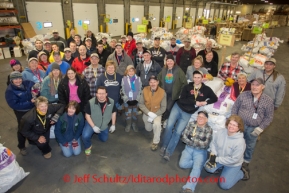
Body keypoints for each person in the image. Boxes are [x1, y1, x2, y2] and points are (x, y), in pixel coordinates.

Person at [161, 71, 217, 161]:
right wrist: (195, 102)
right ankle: (164, 146)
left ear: (202, 78)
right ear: (192, 78)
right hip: (178, 107)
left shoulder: (206, 89)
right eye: (195, 77)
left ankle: (168, 152)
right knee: (169, 126)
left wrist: (206, 102)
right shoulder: (187, 87)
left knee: (178, 132)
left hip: (188, 112)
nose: (197, 79)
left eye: (199, 77)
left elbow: (215, 98)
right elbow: (182, 100)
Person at [231, 78, 274, 176]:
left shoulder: (268, 101)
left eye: (257, 85)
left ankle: (246, 161)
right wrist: (234, 121)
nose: (254, 87)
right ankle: (233, 159)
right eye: (253, 84)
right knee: (236, 142)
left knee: (249, 145)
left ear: (263, 87)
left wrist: (260, 128)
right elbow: (235, 107)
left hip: (253, 128)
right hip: (239, 126)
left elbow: (269, 117)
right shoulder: (243, 95)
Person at [204, 115, 247, 190]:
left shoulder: (240, 142)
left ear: (239, 127)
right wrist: (213, 155)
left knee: (225, 185)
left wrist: (216, 160)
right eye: (230, 124)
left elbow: (234, 160)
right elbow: (213, 143)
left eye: (234, 125)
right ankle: (221, 168)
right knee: (207, 167)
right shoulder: (221, 132)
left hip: (232, 164)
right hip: (219, 158)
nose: (231, 126)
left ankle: (241, 173)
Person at [179, 111, 213, 193]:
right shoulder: (191, 124)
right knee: (182, 164)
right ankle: (199, 164)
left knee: (196, 168)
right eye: (199, 116)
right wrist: (197, 141)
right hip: (188, 148)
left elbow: (204, 144)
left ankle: (189, 188)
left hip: (200, 152)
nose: (200, 118)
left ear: (206, 120)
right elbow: (183, 137)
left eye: (202, 117)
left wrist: (191, 139)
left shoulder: (209, 129)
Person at [5, 71, 36, 156]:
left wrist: (36, 90)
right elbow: (14, 105)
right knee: (22, 129)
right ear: (11, 80)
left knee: (33, 125)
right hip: (21, 112)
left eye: (19, 78)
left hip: (31, 109)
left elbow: (35, 87)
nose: (18, 81)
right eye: (15, 79)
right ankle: (21, 146)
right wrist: (30, 102)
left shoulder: (27, 83)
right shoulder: (10, 91)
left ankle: (31, 140)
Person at [82, 86, 117, 155]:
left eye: (103, 93)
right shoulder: (91, 102)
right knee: (85, 136)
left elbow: (114, 113)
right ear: (96, 94)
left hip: (104, 124)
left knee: (104, 139)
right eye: (99, 93)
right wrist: (93, 126)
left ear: (106, 94)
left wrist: (113, 125)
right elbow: (87, 116)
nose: (101, 95)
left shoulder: (111, 102)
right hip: (91, 123)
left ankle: (98, 133)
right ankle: (88, 146)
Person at [157, 54, 187, 128]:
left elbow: (184, 82)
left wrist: (180, 93)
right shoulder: (164, 69)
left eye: (171, 61)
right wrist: (160, 88)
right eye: (168, 61)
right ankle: (163, 119)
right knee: (163, 106)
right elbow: (158, 79)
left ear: (174, 62)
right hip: (164, 93)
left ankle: (165, 120)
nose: (169, 62)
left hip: (173, 94)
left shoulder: (178, 70)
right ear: (166, 62)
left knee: (168, 108)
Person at [138, 75, 166, 151]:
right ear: (149, 83)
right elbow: (140, 104)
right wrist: (148, 113)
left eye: (154, 82)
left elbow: (163, 107)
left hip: (157, 113)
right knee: (148, 129)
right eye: (151, 82)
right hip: (147, 112)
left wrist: (155, 115)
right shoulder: (145, 90)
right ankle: (156, 127)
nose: (153, 84)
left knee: (156, 125)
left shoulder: (162, 92)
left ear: (158, 82)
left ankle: (155, 142)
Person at [121, 65, 142, 132]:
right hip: (127, 101)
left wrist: (137, 99)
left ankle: (134, 124)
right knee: (128, 113)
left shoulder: (138, 79)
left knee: (135, 114)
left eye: (132, 70)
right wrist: (126, 100)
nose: (131, 72)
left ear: (134, 71)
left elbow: (140, 90)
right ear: (127, 72)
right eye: (129, 71)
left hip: (136, 100)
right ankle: (128, 124)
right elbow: (122, 90)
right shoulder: (124, 79)